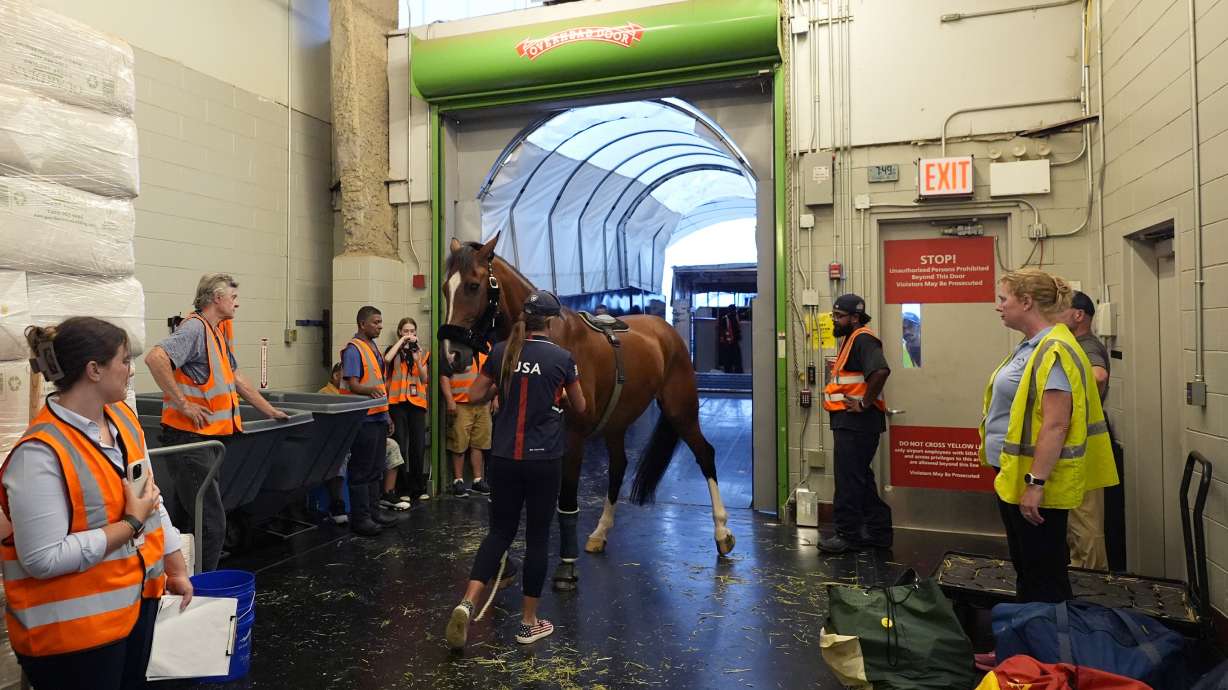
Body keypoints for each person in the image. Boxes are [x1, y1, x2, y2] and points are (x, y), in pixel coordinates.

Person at [2, 319, 193, 690]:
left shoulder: (122, 419)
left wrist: (174, 565)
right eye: (124, 360)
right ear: (94, 370)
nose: (131, 369)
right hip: (73, 640)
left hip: (134, 610)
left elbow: (151, 501)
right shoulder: (40, 454)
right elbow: (42, 558)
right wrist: (128, 525)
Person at [445, 289, 586, 650]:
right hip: (543, 460)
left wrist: (498, 390)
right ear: (552, 321)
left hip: (505, 457)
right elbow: (581, 407)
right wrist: (562, 396)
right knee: (538, 538)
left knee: (498, 534)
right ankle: (528, 623)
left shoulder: (501, 352)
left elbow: (473, 395)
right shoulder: (563, 358)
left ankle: (467, 602)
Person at [979, 270, 1117, 603]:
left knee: (1043, 573)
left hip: (1036, 479)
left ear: (1026, 302)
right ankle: (1025, 648)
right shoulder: (1031, 346)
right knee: (1027, 567)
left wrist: (1035, 484)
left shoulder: (1053, 349)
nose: (999, 307)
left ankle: (1045, 650)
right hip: (1015, 472)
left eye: (1004, 299)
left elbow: (1056, 424)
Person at [145, 273, 288, 571]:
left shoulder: (216, 332)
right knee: (211, 523)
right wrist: (183, 404)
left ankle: (189, 580)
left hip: (207, 441)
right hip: (188, 440)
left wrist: (269, 410)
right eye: (233, 297)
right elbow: (156, 358)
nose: (238, 303)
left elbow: (236, 379)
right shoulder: (195, 328)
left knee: (197, 517)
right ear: (216, 298)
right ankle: (203, 590)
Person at [819, 293, 893, 554]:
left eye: (839, 316)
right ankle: (879, 532)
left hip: (857, 422)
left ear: (854, 317)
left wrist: (863, 403)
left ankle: (847, 535)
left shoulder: (863, 338)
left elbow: (881, 371)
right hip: (850, 423)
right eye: (834, 315)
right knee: (860, 479)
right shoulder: (851, 340)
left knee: (849, 480)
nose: (834, 320)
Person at [339, 306, 398, 537]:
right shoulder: (354, 349)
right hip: (363, 419)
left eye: (380, 322)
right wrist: (370, 390)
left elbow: (380, 386)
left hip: (378, 416)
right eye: (375, 322)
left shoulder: (373, 347)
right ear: (362, 324)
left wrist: (387, 415)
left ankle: (375, 512)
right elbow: (353, 384)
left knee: (376, 468)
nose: (380, 326)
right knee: (361, 470)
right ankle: (361, 518)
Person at [1062, 291, 1111, 570]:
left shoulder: (1086, 344)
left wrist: (1061, 392)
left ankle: (1093, 593)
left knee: (1086, 525)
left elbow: (1099, 375)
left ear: (1078, 315)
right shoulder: (1072, 344)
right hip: (1076, 445)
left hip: (1086, 446)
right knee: (1076, 525)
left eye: (1062, 309)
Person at [385, 317, 431, 505]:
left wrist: (417, 358)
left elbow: (424, 378)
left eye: (412, 331)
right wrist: (401, 343)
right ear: (399, 333)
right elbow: (387, 360)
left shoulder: (422, 352)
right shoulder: (392, 351)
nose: (409, 335)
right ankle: (402, 488)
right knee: (400, 446)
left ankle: (418, 488)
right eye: (405, 331)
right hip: (397, 403)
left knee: (417, 446)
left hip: (416, 404)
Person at [441, 344, 493, 498]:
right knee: (459, 443)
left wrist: (494, 397)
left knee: (479, 443)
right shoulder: (452, 347)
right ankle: (458, 481)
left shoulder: (486, 348)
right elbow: (444, 376)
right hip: (461, 403)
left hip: (482, 404)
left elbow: (493, 374)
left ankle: (477, 480)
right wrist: (450, 400)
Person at [716, 304, 743, 373]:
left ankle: (734, 371)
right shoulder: (726, 318)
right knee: (732, 359)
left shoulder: (732, 318)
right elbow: (722, 330)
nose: (735, 312)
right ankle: (734, 371)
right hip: (728, 342)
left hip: (732, 342)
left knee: (734, 359)